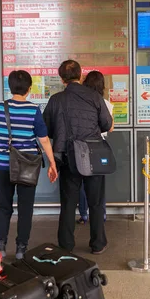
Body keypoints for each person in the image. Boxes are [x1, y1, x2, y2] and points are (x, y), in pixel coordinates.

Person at [43, 60, 113, 255]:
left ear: (61, 78)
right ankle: (97, 243)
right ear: (81, 75)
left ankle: (66, 245)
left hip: (67, 157)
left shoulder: (56, 100)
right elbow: (107, 124)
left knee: (68, 203)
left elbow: (46, 129)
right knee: (96, 202)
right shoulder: (94, 97)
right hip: (93, 155)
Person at [0, 70, 57, 260]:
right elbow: (43, 140)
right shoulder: (33, 110)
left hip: (3, 164)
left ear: (10, 88)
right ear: (29, 88)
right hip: (27, 164)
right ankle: (21, 249)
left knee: (3, 206)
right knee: (25, 208)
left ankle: (1, 246)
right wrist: (52, 163)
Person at [77, 71, 114, 225]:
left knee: (81, 181)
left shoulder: (80, 101)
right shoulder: (106, 103)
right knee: (98, 184)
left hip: (82, 146)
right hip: (99, 147)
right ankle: (101, 215)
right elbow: (110, 128)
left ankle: (84, 214)